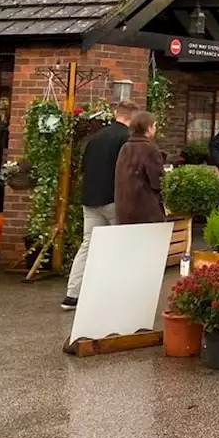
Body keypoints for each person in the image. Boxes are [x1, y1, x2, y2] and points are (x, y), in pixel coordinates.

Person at [61, 101, 136, 311]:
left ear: (116, 114)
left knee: (87, 245)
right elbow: (129, 171)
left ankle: (72, 294)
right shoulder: (126, 138)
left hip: (90, 197)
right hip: (114, 198)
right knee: (121, 246)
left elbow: (84, 167)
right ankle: (114, 294)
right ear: (132, 117)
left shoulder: (95, 139)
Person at [114, 111, 167, 225]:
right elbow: (158, 182)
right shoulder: (149, 149)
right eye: (154, 125)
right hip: (145, 211)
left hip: (124, 210)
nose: (155, 129)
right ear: (148, 128)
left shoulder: (125, 147)